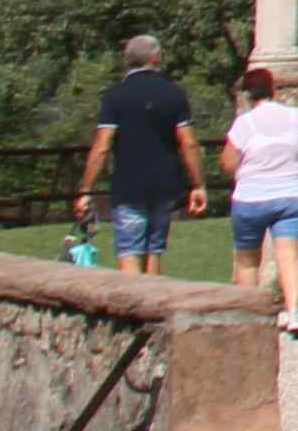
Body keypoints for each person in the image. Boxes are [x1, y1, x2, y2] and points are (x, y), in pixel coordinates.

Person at [70, 34, 207, 275]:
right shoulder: (174, 93)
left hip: (128, 185)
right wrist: (198, 184)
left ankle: (132, 309)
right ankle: (153, 306)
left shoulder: (116, 95)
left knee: (129, 250)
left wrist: (86, 189)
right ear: (155, 58)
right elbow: (188, 143)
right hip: (165, 185)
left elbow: (102, 146)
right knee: (153, 250)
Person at [219, 64, 298, 338]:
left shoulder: (244, 123)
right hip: (290, 196)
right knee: (289, 256)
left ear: (248, 95)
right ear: (273, 90)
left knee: (248, 260)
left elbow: (227, 162)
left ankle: (248, 319)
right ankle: (295, 313)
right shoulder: (296, 117)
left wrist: (241, 169)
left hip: (251, 198)